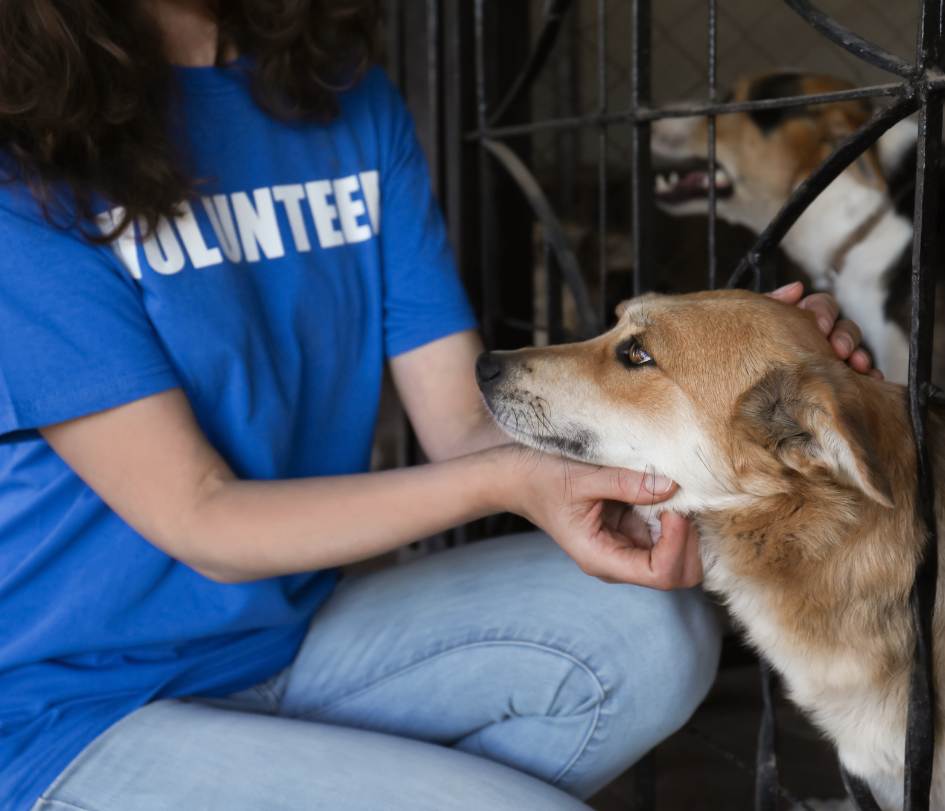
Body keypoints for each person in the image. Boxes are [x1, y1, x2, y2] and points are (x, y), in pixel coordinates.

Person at [0, 2, 878, 810]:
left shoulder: (336, 96)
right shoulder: (23, 156)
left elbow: (465, 426)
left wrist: (760, 369)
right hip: (69, 705)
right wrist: (510, 481)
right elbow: (203, 517)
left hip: (294, 634)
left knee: (651, 630)